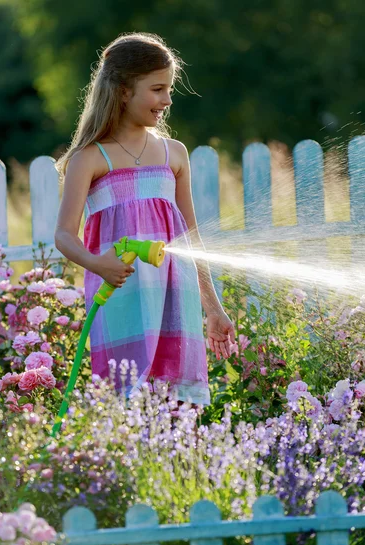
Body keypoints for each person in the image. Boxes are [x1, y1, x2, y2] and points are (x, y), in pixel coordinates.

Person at [55, 32, 235, 405]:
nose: (167, 100)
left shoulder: (174, 154)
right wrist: (96, 263)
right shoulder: (90, 159)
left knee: (178, 406)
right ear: (123, 90)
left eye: (169, 89)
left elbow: (191, 239)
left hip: (174, 296)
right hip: (122, 296)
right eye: (157, 89)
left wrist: (214, 309)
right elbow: (64, 236)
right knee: (127, 400)